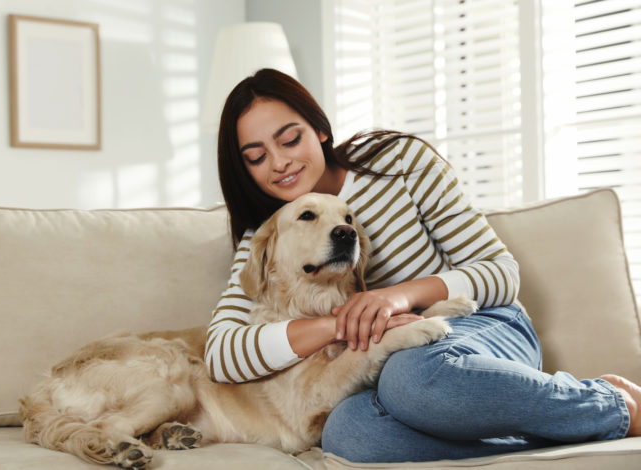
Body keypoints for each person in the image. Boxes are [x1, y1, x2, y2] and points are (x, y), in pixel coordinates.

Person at [204, 68, 641, 462]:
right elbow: (222, 355)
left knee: (411, 378)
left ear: (319, 129)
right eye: (256, 156)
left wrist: (396, 297)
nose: (280, 163)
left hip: (479, 328)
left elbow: (500, 272)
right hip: (384, 366)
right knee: (347, 433)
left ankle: (612, 405)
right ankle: (570, 423)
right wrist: (342, 325)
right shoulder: (265, 235)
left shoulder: (400, 163)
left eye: (289, 138)